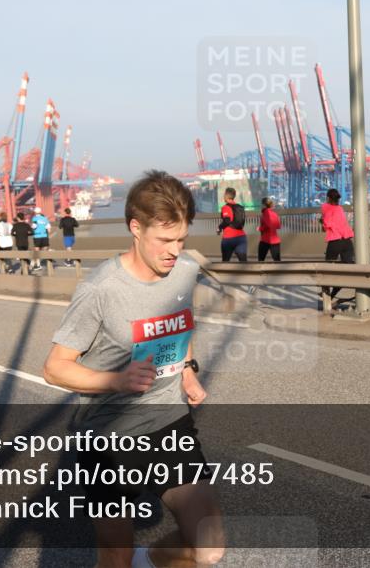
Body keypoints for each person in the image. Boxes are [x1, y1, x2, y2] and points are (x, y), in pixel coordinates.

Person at [42, 170, 224, 568]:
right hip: (107, 438)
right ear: (135, 228)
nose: (174, 251)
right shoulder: (100, 290)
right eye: (165, 240)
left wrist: (188, 368)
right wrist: (117, 380)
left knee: (208, 547)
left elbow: (180, 321)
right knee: (115, 556)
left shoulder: (183, 271)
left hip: (170, 423)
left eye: (181, 239)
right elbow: (55, 369)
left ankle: (154, 558)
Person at [320, 188, 355, 302]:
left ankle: (326, 294)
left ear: (328, 198)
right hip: (347, 241)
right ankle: (332, 295)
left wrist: (322, 222)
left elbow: (326, 224)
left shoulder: (325, 207)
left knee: (327, 269)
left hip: (335, 241)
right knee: (349, 271)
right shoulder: (340, 208)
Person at [217, 187, 247, 262]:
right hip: (241, 237)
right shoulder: (240, 207)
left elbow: (227, 221)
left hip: (229, 238)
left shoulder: (225, 207)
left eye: (224, 194)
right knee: (244, 263)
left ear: (226, 196)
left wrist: (219, 227)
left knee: (225, 262)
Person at [257, 197, 281, 261]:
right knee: (277, 261)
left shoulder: (265, 213)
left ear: (264, 205)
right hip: (275, 241)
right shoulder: (275, 214)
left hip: (265, 240)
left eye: (261, 204)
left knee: (261, 260)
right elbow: (278, 226)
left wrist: (260, 228)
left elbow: (268, 225)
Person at [31, 206, 51, 272]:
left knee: (37, 251)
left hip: (37, 236)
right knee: (45, 249)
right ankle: (48, 263)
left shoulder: (34, 218)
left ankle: (38, 264)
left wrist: (32, 228)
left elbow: (34, 226)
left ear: (35, 212)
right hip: (44, 236)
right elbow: (48, 228)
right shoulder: (45, 218)